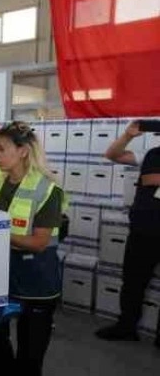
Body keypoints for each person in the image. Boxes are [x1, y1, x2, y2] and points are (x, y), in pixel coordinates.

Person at [0, 121, 66, 376]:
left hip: (36, 281)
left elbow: (40, 242)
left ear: (22, 151)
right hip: (1, 278)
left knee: (30, 357)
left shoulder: (48, 190)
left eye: (1, 149)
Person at [96, 121, 160, 348]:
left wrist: (153, 179)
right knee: (133, 281)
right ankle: (127, 327)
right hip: (144, 229)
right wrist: (128, 135)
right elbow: (112, 154)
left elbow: (151, 180)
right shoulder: (152, 154)